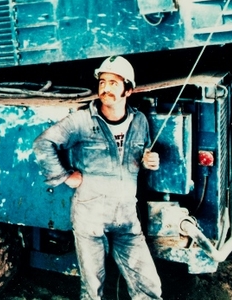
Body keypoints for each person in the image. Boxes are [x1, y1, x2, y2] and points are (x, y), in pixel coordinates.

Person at [33, 55, 162, 300]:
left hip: (126, 217)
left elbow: (140, 155)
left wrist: (147, 161)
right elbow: (43, 143)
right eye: (103, 82)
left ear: (129, 90)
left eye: (114, 83)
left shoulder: (139, 122)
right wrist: (65, 176)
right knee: (93, 290)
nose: (106, 88)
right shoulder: (82, 120)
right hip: (90, 217)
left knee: (149, 286)